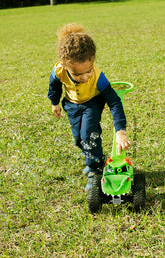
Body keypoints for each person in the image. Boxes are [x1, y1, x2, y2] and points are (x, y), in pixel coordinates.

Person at [48, 23, 131, 192]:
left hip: (92, 104)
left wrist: (120, 130)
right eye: (77, 74)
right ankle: (97, 157)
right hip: (71, 105)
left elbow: (114, 102)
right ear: (64, 66)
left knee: (88, 136)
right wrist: (54, 102)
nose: (85, 77)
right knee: (79, 138)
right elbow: (54, 86)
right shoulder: (59, 70)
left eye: (89, 71)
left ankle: (95, 170)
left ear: (92, 62)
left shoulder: (98, 78)